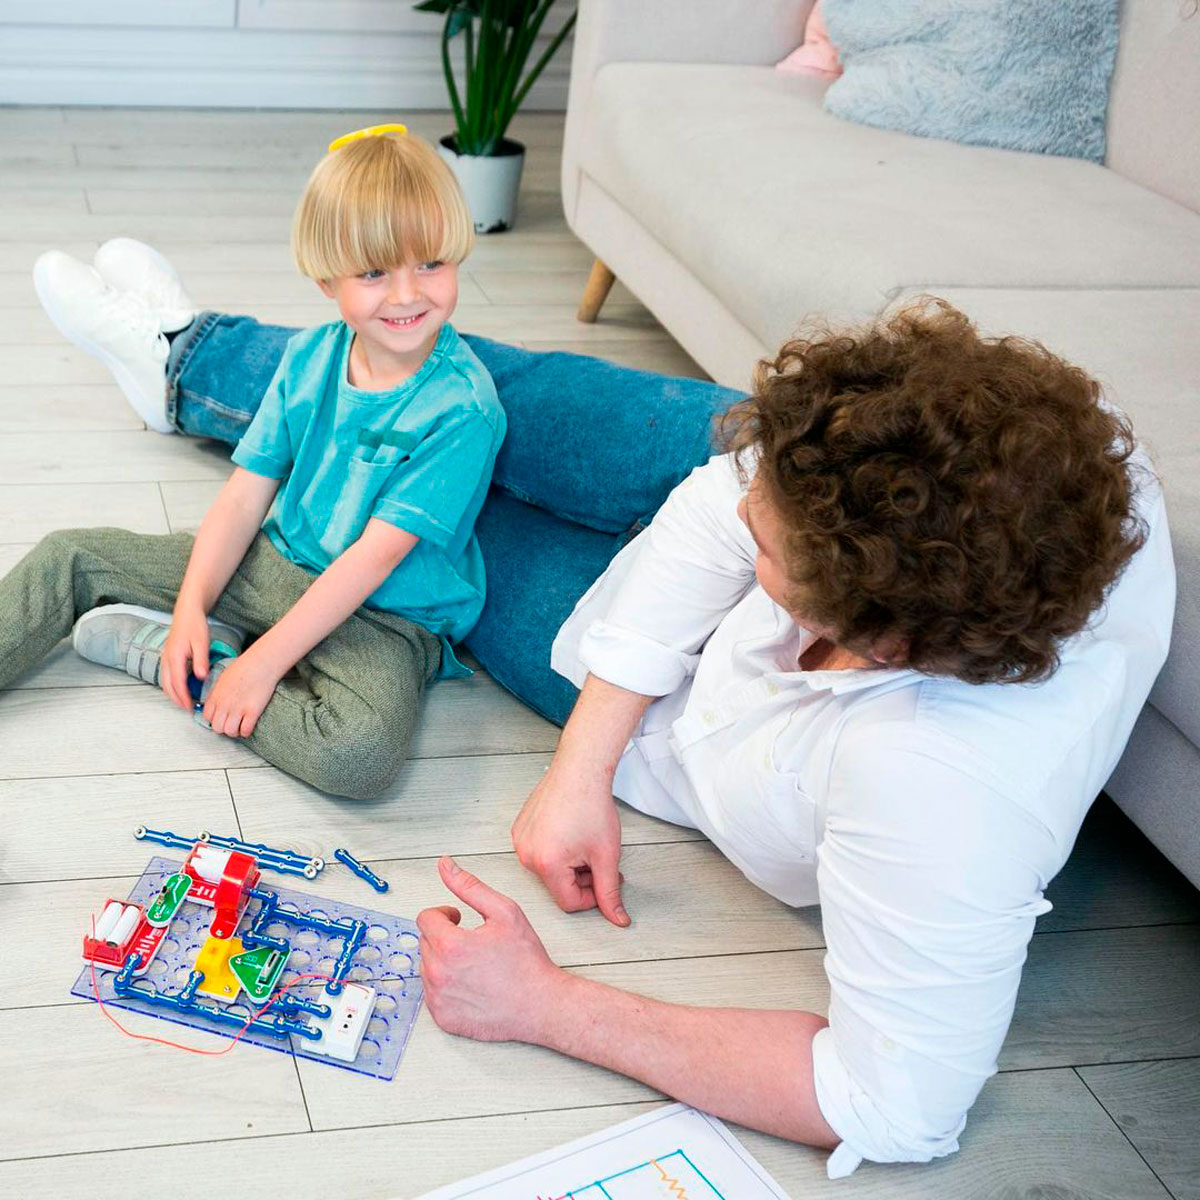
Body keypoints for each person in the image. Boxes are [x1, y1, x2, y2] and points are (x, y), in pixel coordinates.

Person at [28, 228, 1173, 1174]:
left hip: (693, 721)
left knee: (437, 514)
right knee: (478, 385)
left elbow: (893, 1104)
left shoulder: (946, 790)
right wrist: (578, 765)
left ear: (868, 638)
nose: (744, 512)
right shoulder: (997, 457)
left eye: (766, 549)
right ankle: (185, 361)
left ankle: (199, 397)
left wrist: (546, 1005)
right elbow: (726, 494)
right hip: (745, 625)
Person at [8, 127, 506, 798]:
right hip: (276, 565)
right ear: (328, 280)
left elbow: (372, 561)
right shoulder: (308, 357)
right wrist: (191, 603)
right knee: (69, 553)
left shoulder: (465, 409)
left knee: (358, 755)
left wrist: (261, 666)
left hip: (386, 618)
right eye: (374, 272)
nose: (407, 294)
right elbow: (245, 496)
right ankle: (202, 633)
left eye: (431, 264)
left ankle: (193, 662)